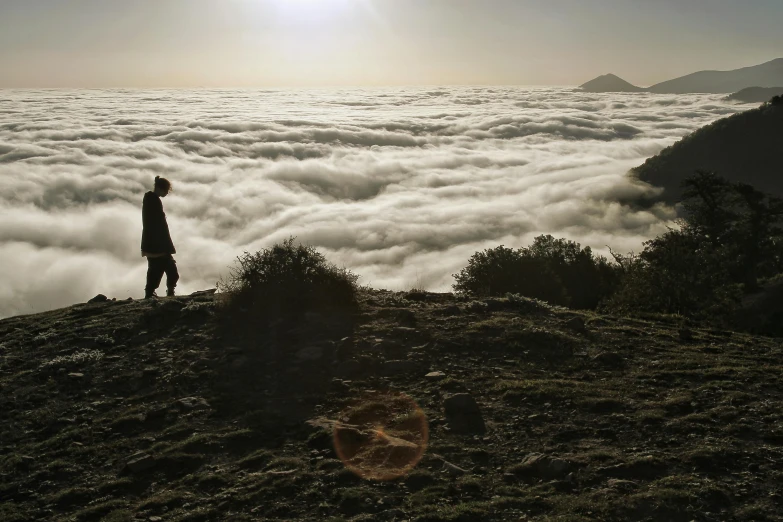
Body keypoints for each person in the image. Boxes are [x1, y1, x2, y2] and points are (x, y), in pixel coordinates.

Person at [141, 176, 179, 298]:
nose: (167, 193)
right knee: (163, 270)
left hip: (153, 243)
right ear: (159, 188)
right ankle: (164, 292)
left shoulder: (151, 200)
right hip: (156, 244)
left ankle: (151, 293)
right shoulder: (153, 201)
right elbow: (156, 225)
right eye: (166, 190)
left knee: (157, 270)